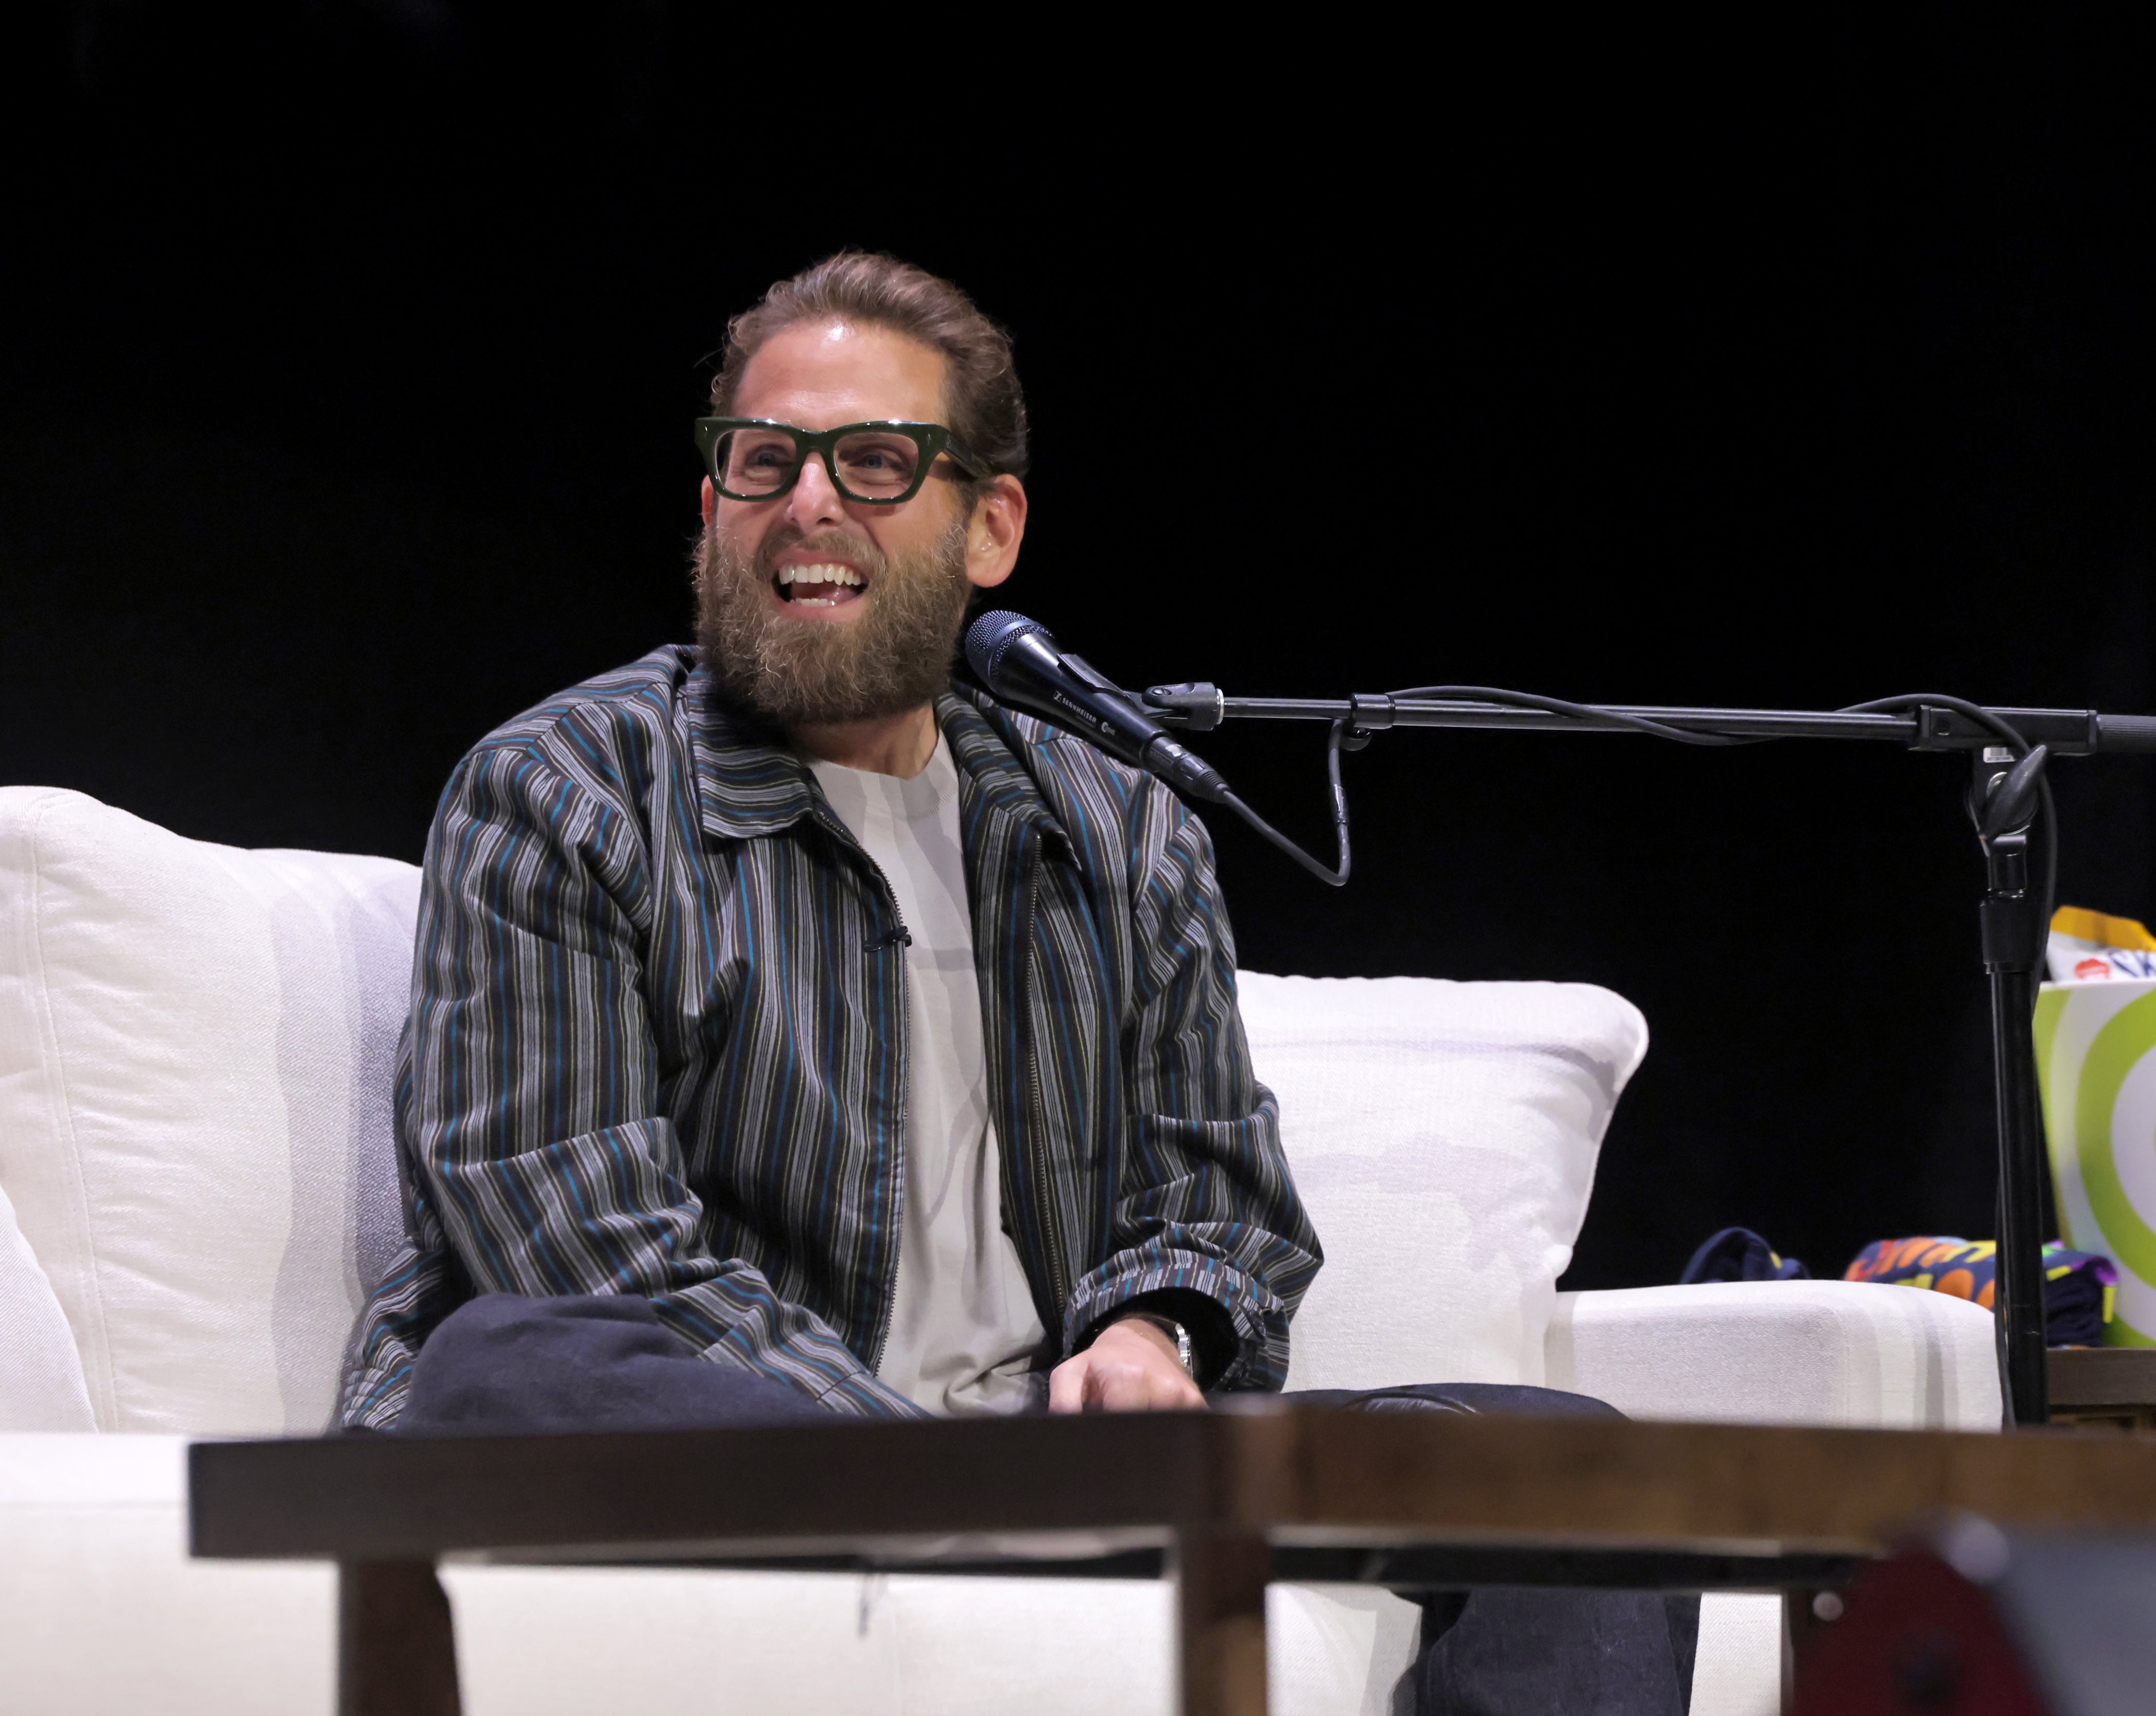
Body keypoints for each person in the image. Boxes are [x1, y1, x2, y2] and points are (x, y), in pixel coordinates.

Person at [338, 250, 1693, 1712]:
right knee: (515, 1362)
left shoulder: (1114, 826)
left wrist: (1149, 1335)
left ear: (991, 527)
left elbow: (1218, 1201)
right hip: (749, 1450)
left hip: (1052, 1473)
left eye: (873, 462)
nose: (805, 502)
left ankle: (1002, 1525)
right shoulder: (568, 790)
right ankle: (976, 1525)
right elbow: (573, 1238)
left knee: (1577, 1464)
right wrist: (951, 1469)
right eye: (761, 460)